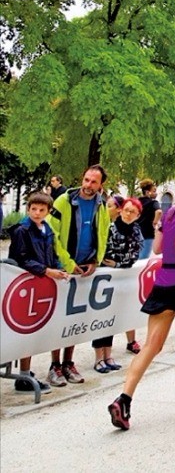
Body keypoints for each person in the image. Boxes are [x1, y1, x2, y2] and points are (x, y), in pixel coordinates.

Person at [108, 172, 175, 431]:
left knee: (151, 346)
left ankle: (124, 399)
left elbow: (157, 249)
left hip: (163, 282)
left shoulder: (170, 213)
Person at [47, 164, 111, 386]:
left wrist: (96, 260)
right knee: (59, 319)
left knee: (75, 319)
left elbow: (102, 233)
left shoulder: (101, 204)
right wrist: (68, 262)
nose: (88, 185)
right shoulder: (64, 201)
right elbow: (51, 234)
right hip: (63, 268)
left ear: (101, 184)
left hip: (85, 268)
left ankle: (68, 362)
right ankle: (54, 365)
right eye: (86, 180)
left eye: (93, 182)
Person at [8, 192, 70, 394]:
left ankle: (26, 373)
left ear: (48, 212)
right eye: (33, 209)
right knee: (26, 329)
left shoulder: (47, 229)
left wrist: (59, 269)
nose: (37, 213)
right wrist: (45, 270)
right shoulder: (22, 230)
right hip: (27, 285)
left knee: (36, 330)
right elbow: (21, 258)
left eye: (41, 210)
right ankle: (23, 375)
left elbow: (51, 253)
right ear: (28, 209)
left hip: (42, 284)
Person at [93, 198, 144, 373]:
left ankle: (108, 354)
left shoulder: (136, 230)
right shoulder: (109, 228)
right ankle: (98, 357)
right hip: (106, 280)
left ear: (138, 215)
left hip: (122, 280)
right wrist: (118, 263)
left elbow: (135, 255)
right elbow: (107, 253)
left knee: (114, 318)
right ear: (121, 210)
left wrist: (119, 264)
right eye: (127, 210)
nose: (129, 214)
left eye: (133, 212)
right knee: (101, 318)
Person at [137, 179, 162, 259]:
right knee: (143, 258)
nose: (156, 193)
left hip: (136, 232)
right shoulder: (153, 202)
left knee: (135, 257)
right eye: (154, 191)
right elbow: (159, 212)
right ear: (148, 192)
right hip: (148, 233)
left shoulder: (137, 201)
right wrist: (155, 222)